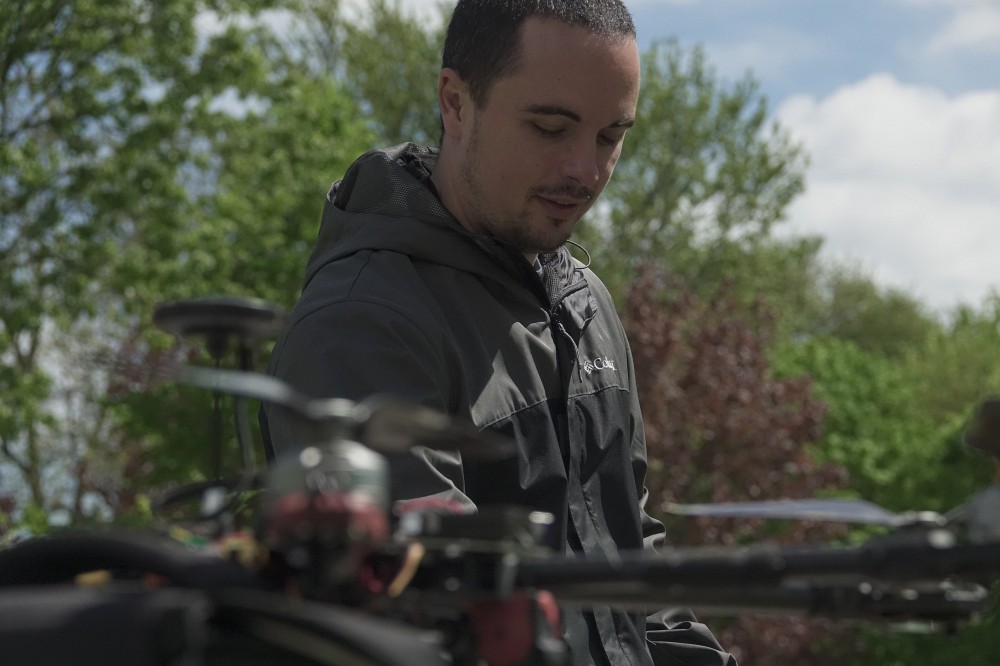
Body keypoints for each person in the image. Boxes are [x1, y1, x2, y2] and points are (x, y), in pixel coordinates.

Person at [261, 0, 735, 664]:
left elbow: (632, 562)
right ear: (455, 103)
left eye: (610, 136)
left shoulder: (585, 305)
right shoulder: (364, 320)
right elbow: (426, 614)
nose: (587, 171)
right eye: (550, 127)